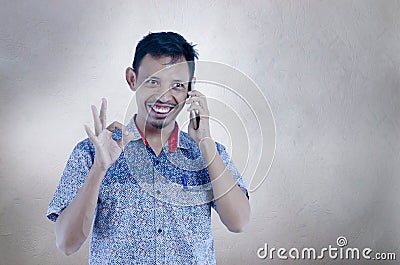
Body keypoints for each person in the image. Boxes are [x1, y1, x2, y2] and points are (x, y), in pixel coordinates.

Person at [47, 31, 250, 264]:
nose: (164, 96)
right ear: (132, 79)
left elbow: (239, 222)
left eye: (177, 85)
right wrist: (99, 170)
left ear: (189, 90)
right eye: (153, 81)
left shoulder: (206, 153)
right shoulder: (92, 153)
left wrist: (205, 143)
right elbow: (67, 244)